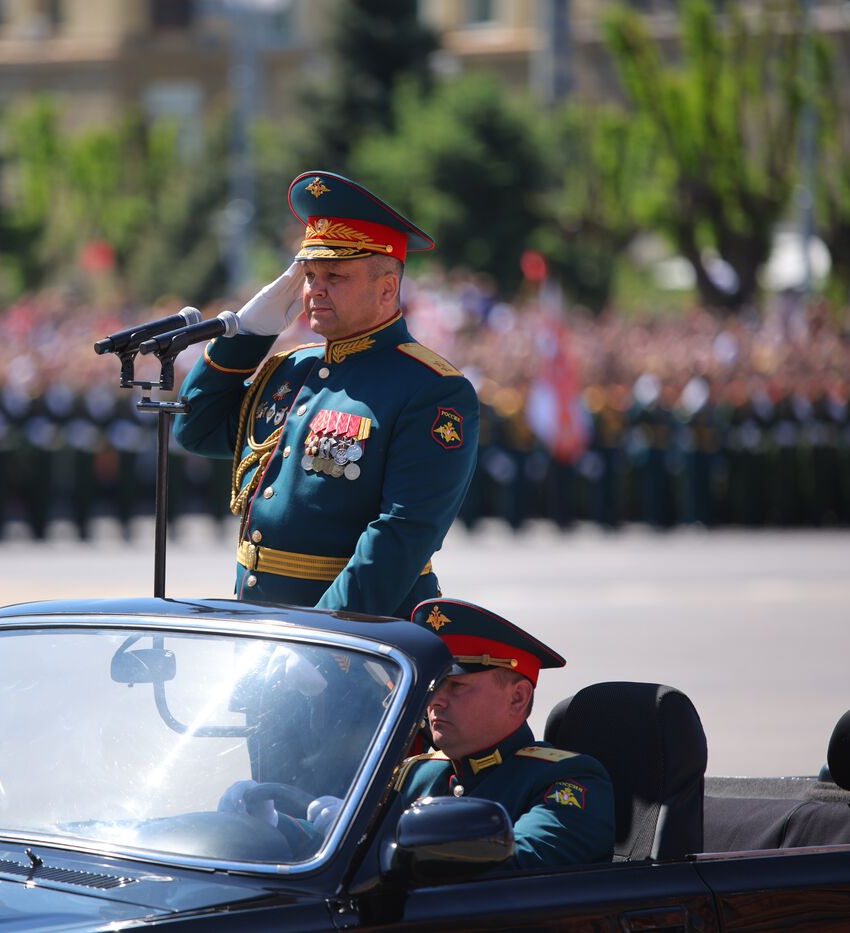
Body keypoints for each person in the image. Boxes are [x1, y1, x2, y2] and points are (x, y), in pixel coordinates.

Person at [174, 171, 480, 619]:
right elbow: (195, 429)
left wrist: (326, 634)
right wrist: (249, 331)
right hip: (264, 618)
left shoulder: (432, 389)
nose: (315, 287)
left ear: (387, 288)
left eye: (335, 275)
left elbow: (401, 535)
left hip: (357, 631)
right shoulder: (290, 368)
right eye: (310, 273)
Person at [397, 597, 614, 869]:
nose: (435, 700)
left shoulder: (565, 778)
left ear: (517, 698)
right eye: (433, 684)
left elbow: (521, 863)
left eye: (456, 685)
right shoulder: (414, 775)